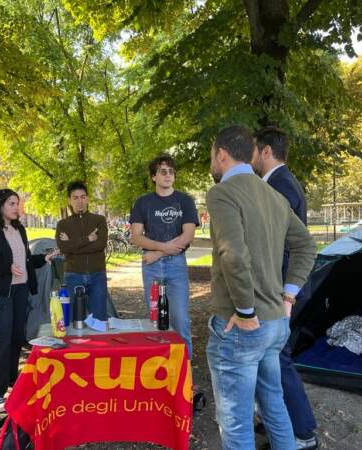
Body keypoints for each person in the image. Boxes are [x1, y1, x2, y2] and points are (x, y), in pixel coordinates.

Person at [205, 125, 316, 450]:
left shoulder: (222, 193)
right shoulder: (273, 195)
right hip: (275, 325)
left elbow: (233, 253)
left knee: (237, 425)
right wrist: (288, 295)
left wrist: (244, 310)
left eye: (212, 156)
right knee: (274, 408)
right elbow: (307, 246)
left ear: (221, 154)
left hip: (243, 327)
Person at [252, 127, 318, 450]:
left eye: (253, 150)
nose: (250, 156)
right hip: (280, 289)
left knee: (280, 357)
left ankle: (304, 433)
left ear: (265, 151)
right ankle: (278, 420)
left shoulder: (280, 186)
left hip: (283, 291)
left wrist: (283, 293)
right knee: (272, 355)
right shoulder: (280, 183)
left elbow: (286, 244)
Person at [0, 189, 56, 413]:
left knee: (17, 336)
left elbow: (25, 260)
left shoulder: (19, 228)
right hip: (0, 292)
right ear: (0, 205)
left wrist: (42, 259)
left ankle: (11, 381)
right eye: (11, 203)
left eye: (17, 203)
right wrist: (5, 268)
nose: (16, 208)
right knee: (2, 339)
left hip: (21, 290)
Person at [130, 155, 198, 358]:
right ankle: (159, 370)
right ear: (153, 176)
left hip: (176, 264)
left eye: (171, 171)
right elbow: (136, 237)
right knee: (155, 319)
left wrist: (159, 252)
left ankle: (185, 375)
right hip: (151, 267)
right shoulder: (143, 202)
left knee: (180, 319)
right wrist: (162, 248)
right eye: (162, 171)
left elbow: (188, 235)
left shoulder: (185, 201)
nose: (168, 175)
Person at [55, 181, 109, 321]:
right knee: (73, 320)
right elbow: (63, 248)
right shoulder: (63, 224)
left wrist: (72, 244)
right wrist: (88, 239)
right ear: (69, 200)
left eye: (83, 197)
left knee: (99, 320)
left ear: (88, 198)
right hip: (73, 275)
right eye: (75, 197)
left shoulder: (99, 220)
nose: (80, 201)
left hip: (97, 274)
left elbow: (100, 245)